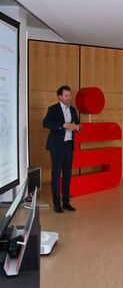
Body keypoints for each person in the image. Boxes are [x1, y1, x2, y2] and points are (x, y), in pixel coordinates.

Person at [43, 85, 81, 213]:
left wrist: (77, 127)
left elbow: (77, 123)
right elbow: (46, 123)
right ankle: (56, 204)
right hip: (57, 146)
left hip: (69, 146)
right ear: (60, 96)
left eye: (70, 95)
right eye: (66, 95)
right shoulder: (53, 109)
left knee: (67, 175)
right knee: (56, 174)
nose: (69, 98)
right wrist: (63, 125)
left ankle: (66, 202)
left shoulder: (73, 110)